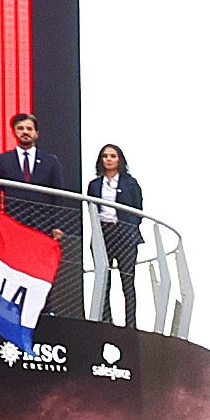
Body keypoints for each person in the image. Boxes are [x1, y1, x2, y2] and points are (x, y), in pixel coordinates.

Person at [85, 137, 151, 324]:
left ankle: (131, 323)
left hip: (125, 234)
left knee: (127, 281)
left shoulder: (130, 183)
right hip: (104, 233)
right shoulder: (95, 185)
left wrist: (128, 226)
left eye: (112, 156)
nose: (108, 159)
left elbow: (138, 210)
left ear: (119, 160)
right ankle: (107, 320)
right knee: (104, 280)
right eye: (105, 156)